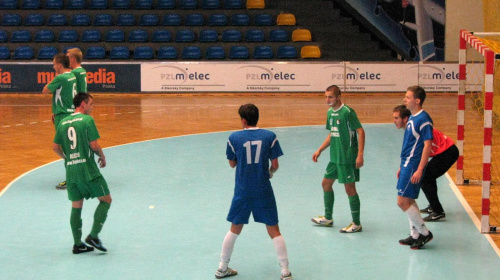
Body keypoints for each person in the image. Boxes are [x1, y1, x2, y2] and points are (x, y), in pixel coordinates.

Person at [215, 104, 292, 280]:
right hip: (263, 188)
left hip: (242, 189)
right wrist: (270, 173)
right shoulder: (269, 136)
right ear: (257, 117)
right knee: (274, 229)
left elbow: (232, 164)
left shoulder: (234, 137)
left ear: (243, 120)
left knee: (235, 228)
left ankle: (222, 268)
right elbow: (275, 165)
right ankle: (285, 271)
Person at [52, 92, 111, 254]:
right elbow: (93, 145)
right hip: (88, 169)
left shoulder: (63, 122)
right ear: (83, 104)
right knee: (106, 200)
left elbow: (55, 147)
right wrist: (102, 156)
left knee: (76, 206)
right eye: (91, 103)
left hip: (71, 171)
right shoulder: (87, 120)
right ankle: (93, 236)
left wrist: (67, 159)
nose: (92, 106)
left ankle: (77, 244)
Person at [311, 85, 365, 233]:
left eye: (330, 97)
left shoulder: (347, 112)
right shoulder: (330, 112)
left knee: (349, 189)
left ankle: (356, 224)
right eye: (326, 97)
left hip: (347, 158)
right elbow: (331, 134)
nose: (327, 100)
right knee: (326, 184)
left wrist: (360, 154)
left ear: (338, 97)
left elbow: (361, 132)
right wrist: (320, 150)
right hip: (334, 158)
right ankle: (328, 218)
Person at [393, 105, 459, 221]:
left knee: (425, 178)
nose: (394, 121)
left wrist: (418, 170)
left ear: (405, 118)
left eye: (397, 118)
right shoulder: (413, 127)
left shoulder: (417, 127)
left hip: (447, 152)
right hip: (443, 152)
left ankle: (438, 211)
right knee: (427, 177)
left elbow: (423, 150)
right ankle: (433, 206)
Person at [396, 86, 434, 249]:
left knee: (402, 202)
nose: (405, 100)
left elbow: (427, 146)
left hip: (413, 165)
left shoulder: (423, 119)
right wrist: (401, 166)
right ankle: (415, 234)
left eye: (408, 97)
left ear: (417, 101)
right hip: (407, 164)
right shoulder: (412, 117)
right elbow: (409, 144)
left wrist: (419, 169)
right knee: (409, 200)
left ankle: (425, 233)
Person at [43, 53, 77, 190]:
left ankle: (71, 179)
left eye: (54, 64)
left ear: (60, 65)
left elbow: (45, 91)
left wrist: (55, 77)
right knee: (70, 147)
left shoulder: (61, 77)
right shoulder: (72, 75)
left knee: (63, 148)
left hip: (63, 117)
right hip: (70, 113)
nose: (53, 66)